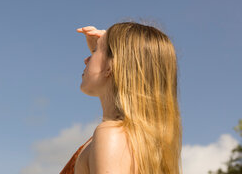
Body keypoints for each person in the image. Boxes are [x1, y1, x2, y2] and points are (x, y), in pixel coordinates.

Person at [59, 22, 182, 174]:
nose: (86, 60)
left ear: (112, 65)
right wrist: (103, 54)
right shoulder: (138, 141)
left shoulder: (111, 136)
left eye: (95, 51)